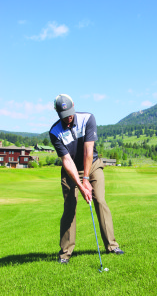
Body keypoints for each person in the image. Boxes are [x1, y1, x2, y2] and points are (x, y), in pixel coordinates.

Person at [49, 94, 124, 264]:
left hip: (93, 164)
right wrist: (80, 184)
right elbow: (67, 161)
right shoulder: (54, 132)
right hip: (71, 170)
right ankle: (65, 254)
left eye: (69, 114)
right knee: (70, 206)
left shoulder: (88, 119)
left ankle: (112, 246)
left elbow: (88, 152)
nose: (67, 119)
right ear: (56, 111)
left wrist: (86, 179)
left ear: (73, 106)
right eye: (63, 116)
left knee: (99, 199)